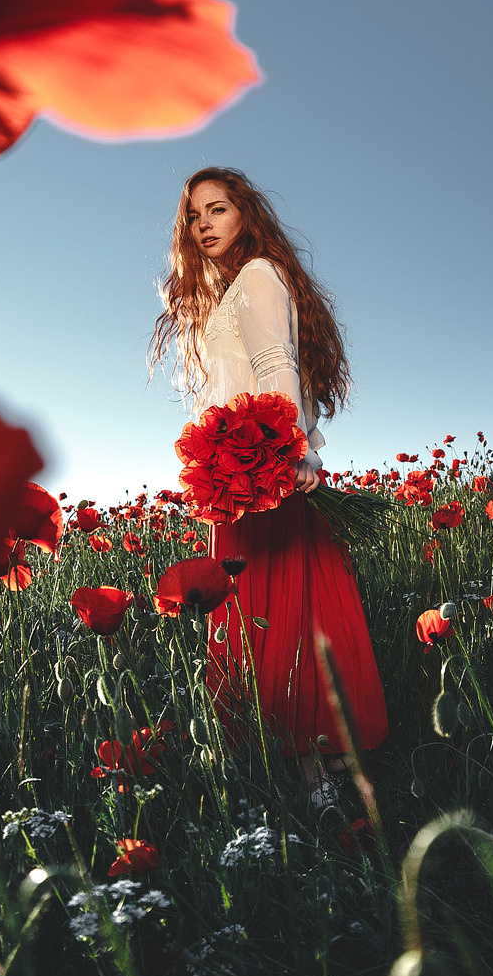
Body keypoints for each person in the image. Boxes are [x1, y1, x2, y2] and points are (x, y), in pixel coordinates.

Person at [150, 167, 389, 805]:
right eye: (194, 215)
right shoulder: (231, 290)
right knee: (275, 614)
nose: (203, 224)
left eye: (218, 209)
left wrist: (292, 452)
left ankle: (313, 778)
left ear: (245, 215)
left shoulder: (257, 275)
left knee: (280, 616)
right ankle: (315, 768)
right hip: (240, 474)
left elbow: (276, 365)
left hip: (262, 474)